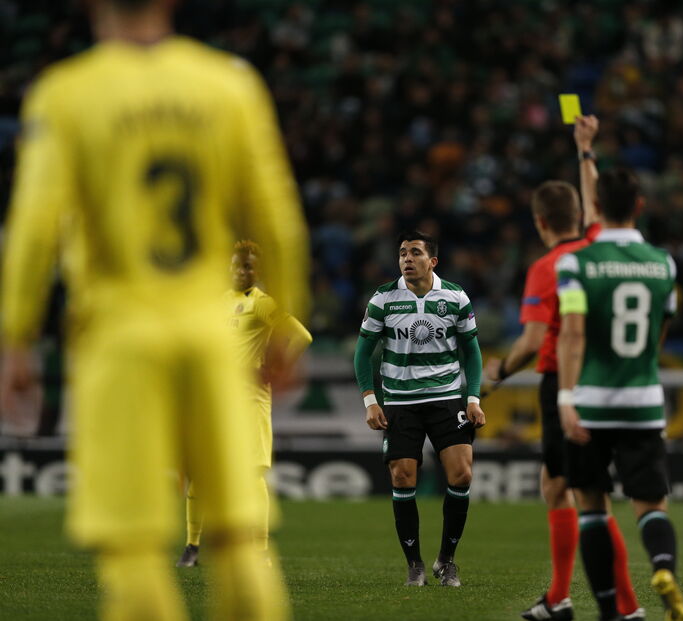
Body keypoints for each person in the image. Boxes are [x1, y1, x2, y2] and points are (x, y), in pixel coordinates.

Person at [0, 1, 309, 620]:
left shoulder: (66, 94)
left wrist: (17, 335)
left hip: (120, 336)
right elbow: (277, 219)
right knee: (240, 542)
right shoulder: (229, 84)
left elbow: (34, 229)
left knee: (134, 550)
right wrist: (288, 315)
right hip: (207, 334)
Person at [483, 116, 642, 621]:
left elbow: (531, 342)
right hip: (603, 376)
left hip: (561, 381)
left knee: (586, 495)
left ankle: (614, 605)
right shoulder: (597, 244)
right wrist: (585, 151)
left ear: (539, 222)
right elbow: (596, 203)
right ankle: (559, 598)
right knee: (559, 485)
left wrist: (498, 372)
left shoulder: (546, 267)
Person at [556, 168, 683, 621]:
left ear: (594, 209)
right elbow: (658, 334)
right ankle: (663, 568)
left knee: (592, 506)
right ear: (639, 206)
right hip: (643, 400)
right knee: (651, 504)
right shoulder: (663, 264)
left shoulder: (576, 263)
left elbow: (572, 334)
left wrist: (565, 397)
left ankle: (611, 611)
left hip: (591, 401)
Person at [354, 231, 486, 587]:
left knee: (462, 475)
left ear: (433, 261)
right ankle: (415, 565)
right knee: (402, 477)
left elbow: (471, 352)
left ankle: (447, 560)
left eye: (415, 252)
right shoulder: (383, 299)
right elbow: (363, 353)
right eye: (402, 253)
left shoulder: (455, 296)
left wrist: (472, 398)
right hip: (400, 401)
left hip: (445, 397)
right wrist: (370, 400)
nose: (406, 259)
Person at [177, 240, 312, 568]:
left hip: (251, 398)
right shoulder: (219, 302)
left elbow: (301, 336)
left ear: (258, 270)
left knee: (252, 475)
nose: (241, 271)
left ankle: (261, 550)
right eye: (237, 265)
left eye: (248, 266)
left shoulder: (264, 304)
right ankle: (193, 546)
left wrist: (271, 369)